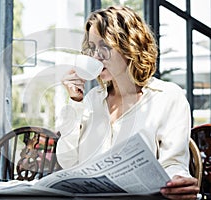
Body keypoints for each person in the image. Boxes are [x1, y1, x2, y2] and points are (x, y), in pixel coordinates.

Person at [56, 5, 199, 200]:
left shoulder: (168, 97)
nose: (96, 55)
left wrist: (178, 181)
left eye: (105, 46)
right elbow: (68, 162)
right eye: (92, 48)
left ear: (129, 46)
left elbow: (173, 164)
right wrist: (75, 102)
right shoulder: (90, 100)